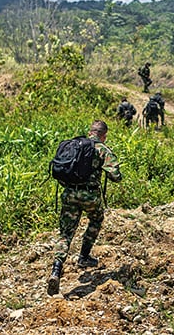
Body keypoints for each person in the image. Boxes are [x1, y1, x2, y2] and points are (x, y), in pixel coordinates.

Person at [47, 120, 123, 296]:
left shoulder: (76, 144)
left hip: (69, 194)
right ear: (104, 135)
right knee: (96, 219)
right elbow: (115, 176)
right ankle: (84, 256)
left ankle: (56, 271)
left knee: (65, 233)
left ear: (90, 132)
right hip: (90, 196)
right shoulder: (102, 149)